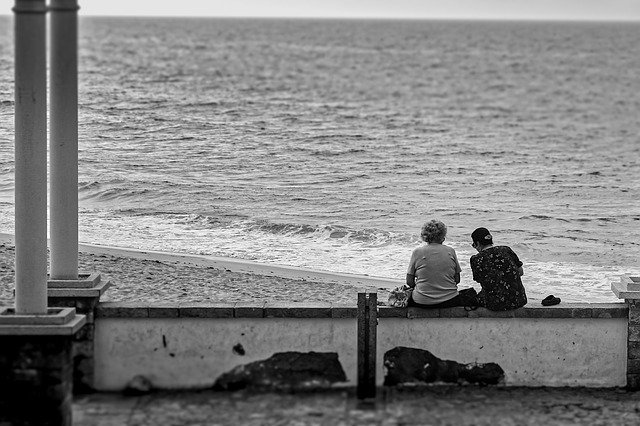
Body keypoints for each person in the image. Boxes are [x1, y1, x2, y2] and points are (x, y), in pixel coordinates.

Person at [406, 220, 466, 308]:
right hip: (450, 299)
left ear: (425, 236)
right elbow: (457, 279)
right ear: (443, 236)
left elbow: (409, 281)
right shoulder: (450, 251)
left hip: (422, 300)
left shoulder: (417, 252)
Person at [470, 227, 527, 311]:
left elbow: (480, 280)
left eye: (474, 245)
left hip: (496, 304)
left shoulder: (476, 259)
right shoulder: (506, 250)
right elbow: (521, 272)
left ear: (478, 243)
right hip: (519, 300)